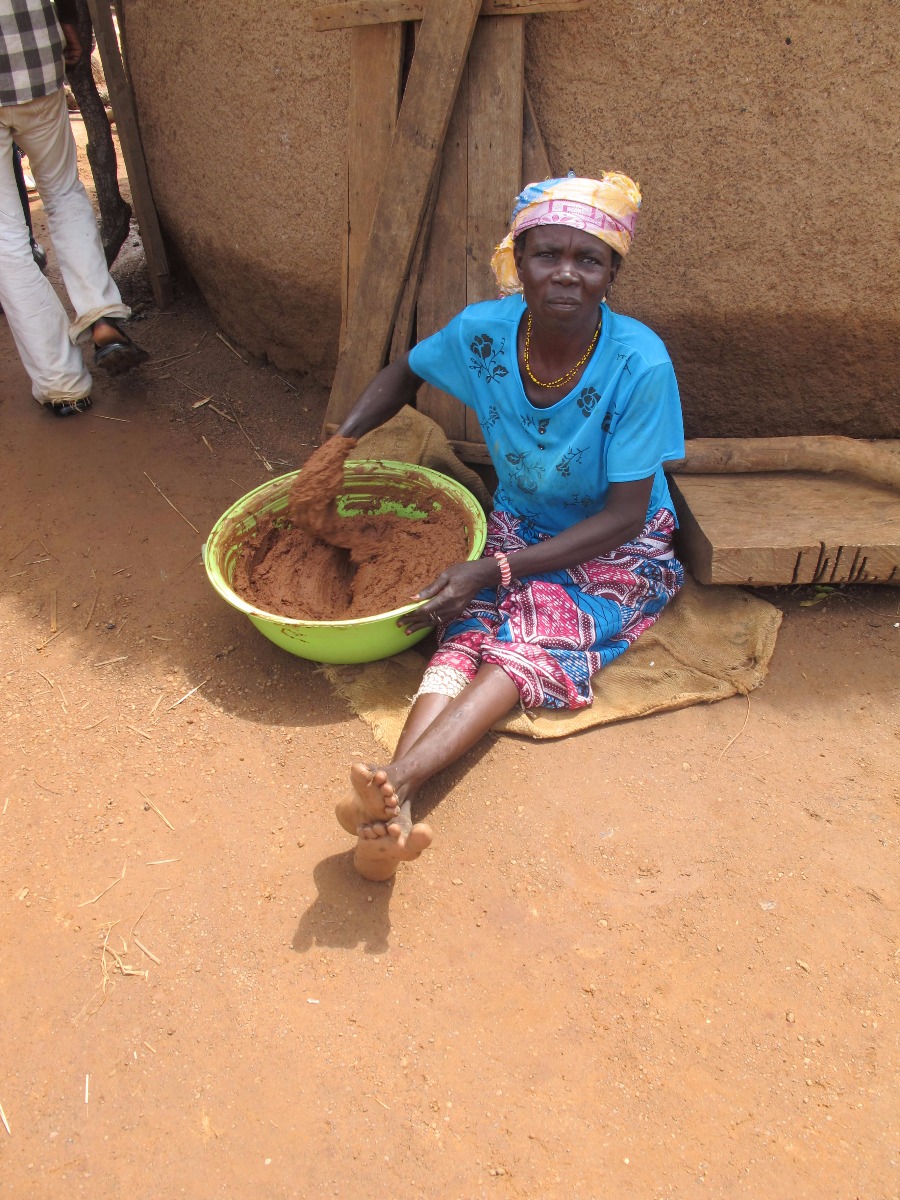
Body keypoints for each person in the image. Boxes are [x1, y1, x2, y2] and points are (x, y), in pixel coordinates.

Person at [332, 172, 685, 881]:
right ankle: (392, 814)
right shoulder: (485, 334)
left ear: (611, 273)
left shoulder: (639, 363)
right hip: (521, 522)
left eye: (588, 259)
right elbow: (404, 371)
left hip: (621, 542)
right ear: (516, 262)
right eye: (546, 254)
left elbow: (622, 515)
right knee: (466, 624)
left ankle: (396, 782)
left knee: (529, 636)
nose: (565, 273)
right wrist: (337, 444)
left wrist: (495, 569)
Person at [0, 0, 146, 417]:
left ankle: (61, 384)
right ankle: (102, 320)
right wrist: (66, 20)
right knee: (64, 195)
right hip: (32, 57)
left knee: (6, 238)